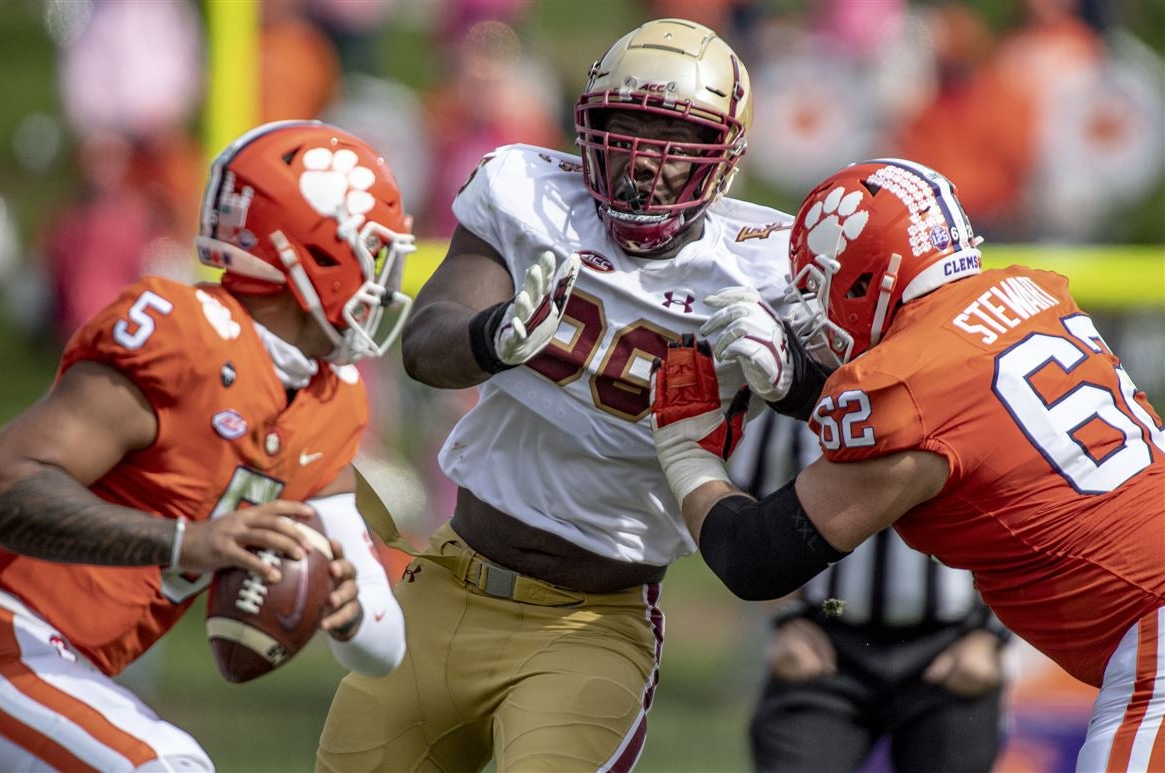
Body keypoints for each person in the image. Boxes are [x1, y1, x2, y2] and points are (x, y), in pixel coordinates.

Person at [316, 18, 823, 771]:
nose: (642, 166)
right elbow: (427, 344)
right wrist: (492, 336)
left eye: (671, 141)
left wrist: (793, 374)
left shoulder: (767, 264)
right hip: (451, 581)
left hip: (595, 621)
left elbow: (856, 411)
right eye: (625, 131)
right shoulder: (528, 192)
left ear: (722, 162)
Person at [651, 158, 1165, 771]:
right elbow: (970, 427)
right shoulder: (1030, 294)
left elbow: (757, 558)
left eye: (818, 286)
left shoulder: (906, 386)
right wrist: (799, 389)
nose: (815, 310)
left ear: (869, 278)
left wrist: (686, 457)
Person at [0, 120, 412, 771]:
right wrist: (182, 542)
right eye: (370, 251)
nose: (383, 277)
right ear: (310, 254)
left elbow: (381, 645)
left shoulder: (331, 399)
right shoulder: (186, 337)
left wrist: (345, 609)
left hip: (64, 663)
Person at [732, 415, 1009, 773]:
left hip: (952, 645)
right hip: (826, 644)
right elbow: (748, 508)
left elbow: (1031, 515)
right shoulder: (796, 388)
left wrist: (990, 635)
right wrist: (785, 618)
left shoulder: (968, 391)